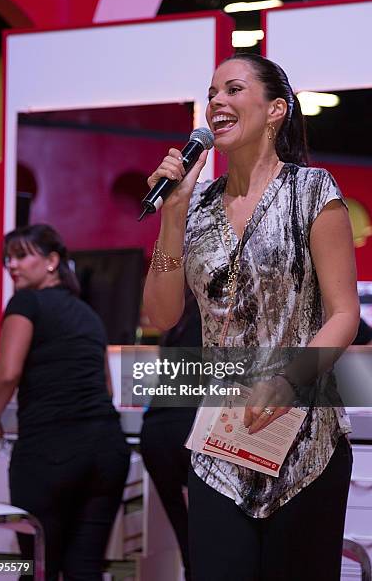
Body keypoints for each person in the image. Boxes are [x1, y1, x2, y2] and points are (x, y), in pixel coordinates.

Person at [143, 53, 359, 581]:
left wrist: (288, 382)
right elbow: (161, 312)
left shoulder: (312, 191)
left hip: (305, 438)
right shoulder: (196, 207)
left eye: (234, 90)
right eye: (212, 92)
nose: (217, 101)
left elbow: (344, 313)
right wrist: (172, 217)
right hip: (223, 439)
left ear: (275, 110)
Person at [0, 224, 130, 581]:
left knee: (39, 567)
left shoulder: (26, 303)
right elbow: (106, 387)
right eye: (8, 259)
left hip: (51, 450)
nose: (12, 265)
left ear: (52, 261)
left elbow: (8, 372)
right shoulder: (88, 314)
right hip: (106, 450)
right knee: (85, 569)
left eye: (22, 255)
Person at [140, 288, 201, 581]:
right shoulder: (222, 308)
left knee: (191, 542)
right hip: (192, 429)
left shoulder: (182, 312)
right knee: (213, 542)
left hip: (157, 431)